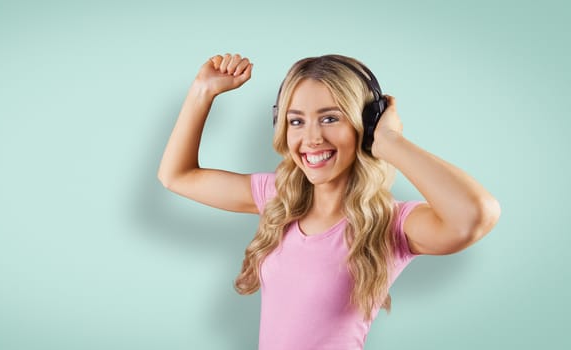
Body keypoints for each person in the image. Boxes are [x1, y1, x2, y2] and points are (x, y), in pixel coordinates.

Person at [157, 53, 500, 350]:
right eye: (296, 121)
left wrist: (390, 142)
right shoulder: (279, 198)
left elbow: (475, 215)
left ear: (365, 125)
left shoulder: (389, 225)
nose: (311, 138)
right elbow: (177, 176)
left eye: (330, 118)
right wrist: (202, 92)